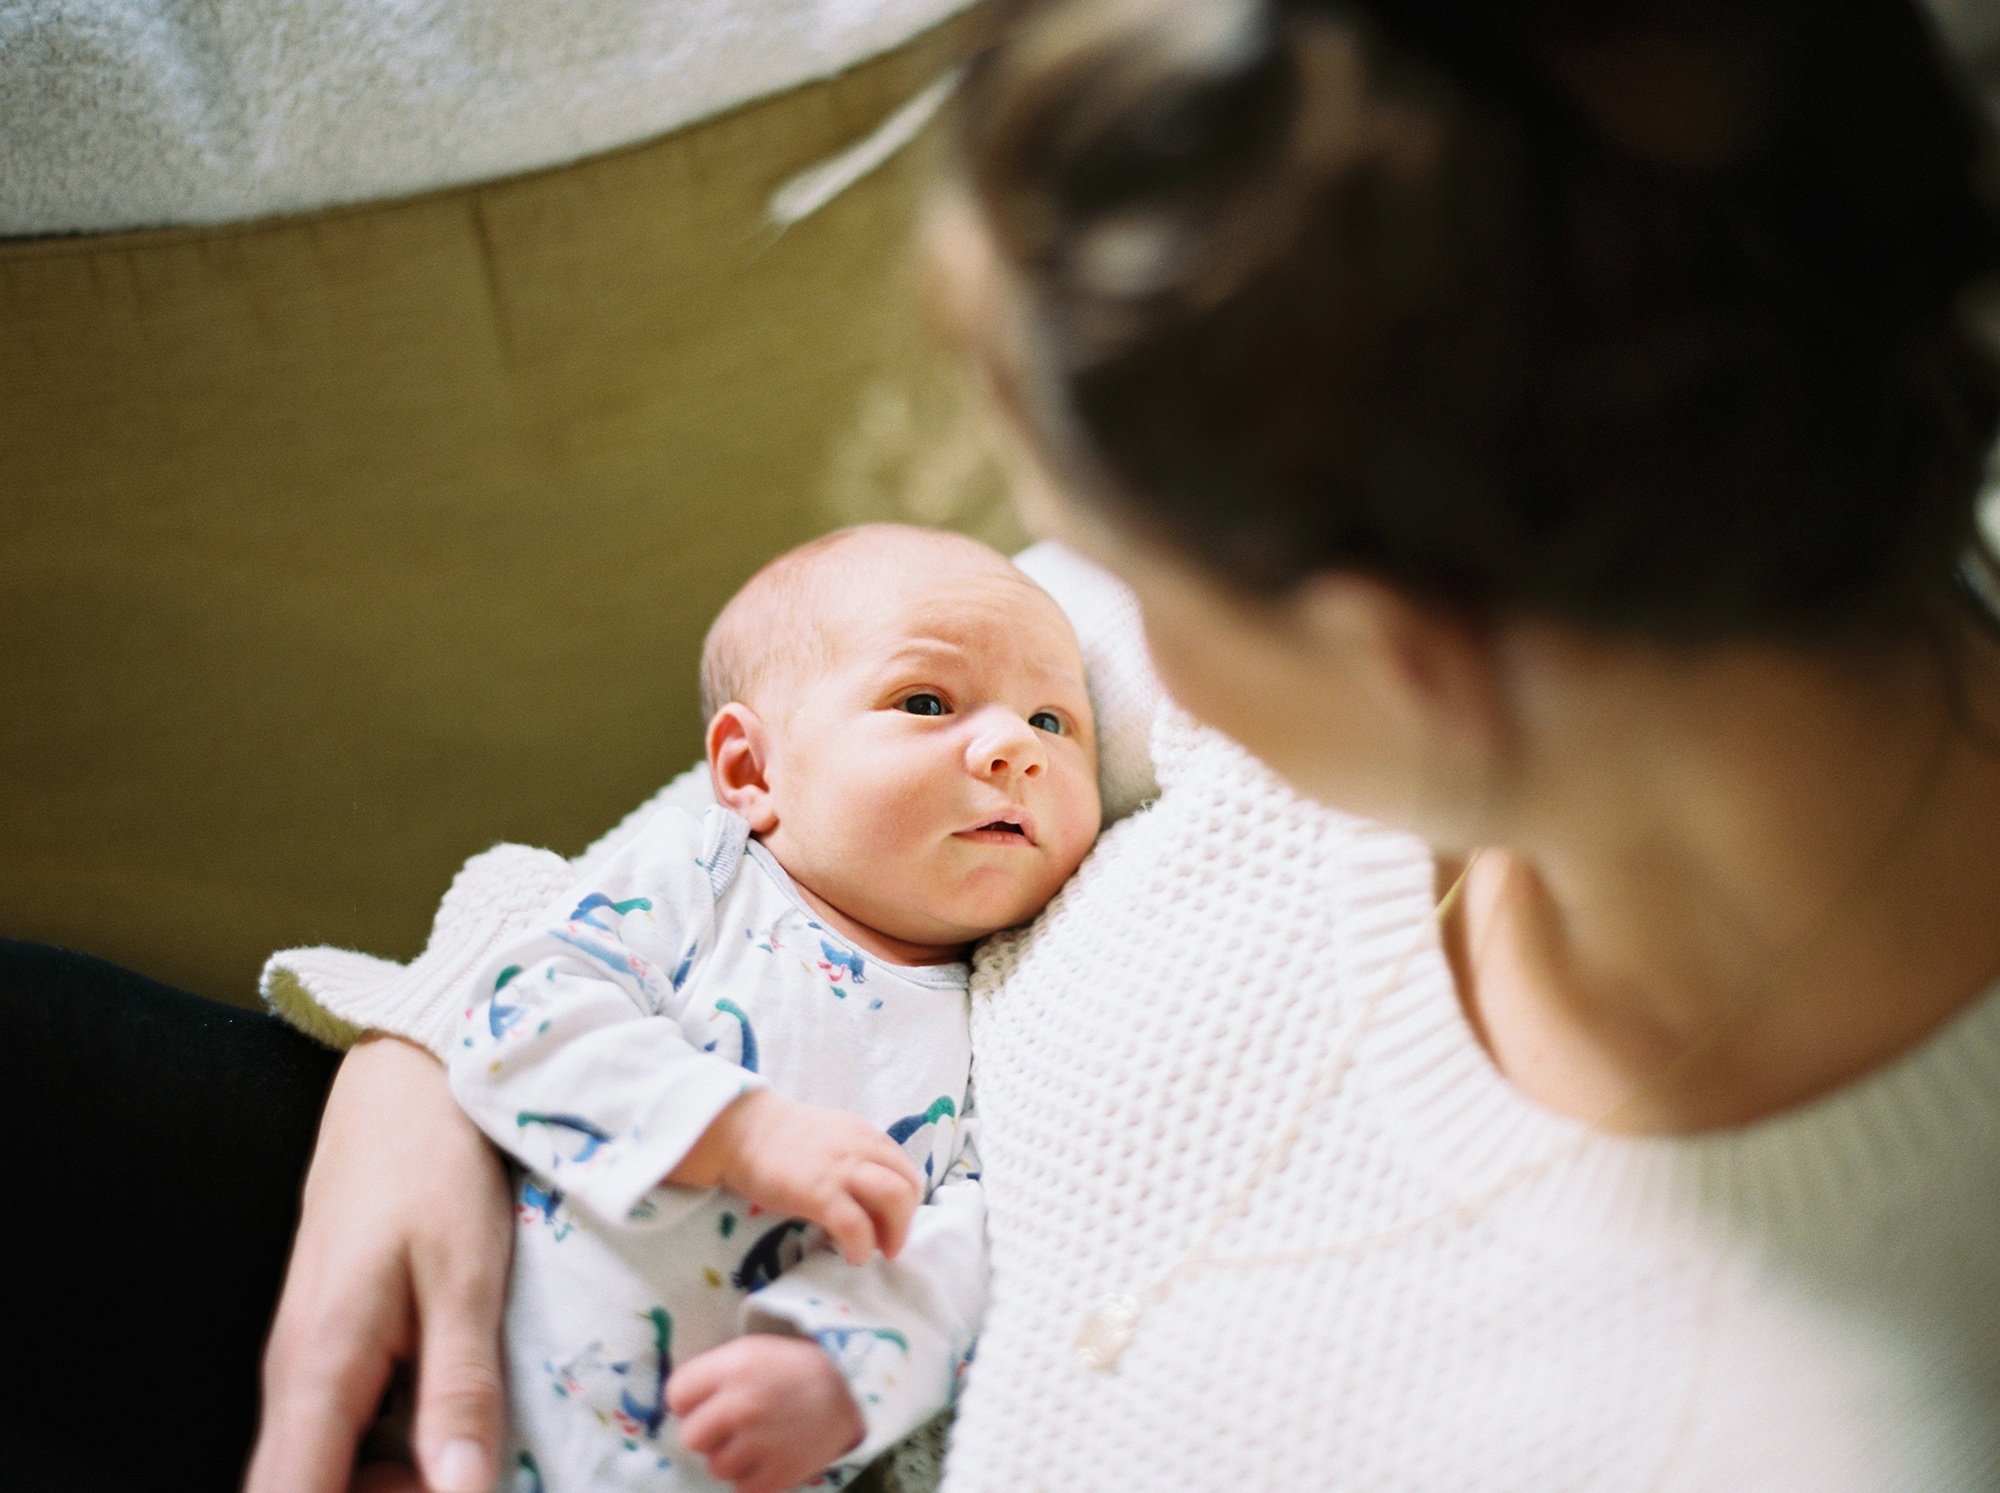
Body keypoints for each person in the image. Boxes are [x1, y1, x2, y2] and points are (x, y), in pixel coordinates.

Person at [137, 0, 2000, 1488]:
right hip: (510, 1184)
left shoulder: (1807, 1419)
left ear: (1400, 654)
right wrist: (429, 1058)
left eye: (1112, 566)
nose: (1070, 636)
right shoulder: (1536, 520)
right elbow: (742, 814)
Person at [438, 523, 1098, 1493]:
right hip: (481, 1401)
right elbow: (517, 1012)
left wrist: (838, 1368)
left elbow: (972, 1245)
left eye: (1053, 721)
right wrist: (735, 1128)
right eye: (926, 700)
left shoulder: (1006, 1013)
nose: (1013, 748)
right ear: (752, 772)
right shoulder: (697, 879)